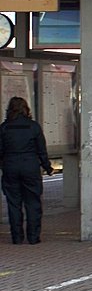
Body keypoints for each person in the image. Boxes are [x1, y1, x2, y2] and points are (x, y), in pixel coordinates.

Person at [0, 97, 53, 244]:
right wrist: (47, 167)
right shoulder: (33, 127)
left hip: (10, 166)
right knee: (33, 202)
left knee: (13, 203)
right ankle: (33, 237)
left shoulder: (4, 127)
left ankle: (16, 237)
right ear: (26, 109)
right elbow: (41, 150)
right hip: (30, 166)